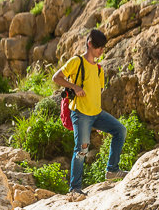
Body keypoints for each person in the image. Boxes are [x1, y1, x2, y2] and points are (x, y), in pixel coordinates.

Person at [52, 28, 126, 198]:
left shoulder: (99, 69)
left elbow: (96, 94)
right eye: (99, 47)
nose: (101, 51)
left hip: (96, 114)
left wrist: (98, 124)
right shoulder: (76, 62)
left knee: (120, 130)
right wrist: (74, 87)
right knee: (82, 150)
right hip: (80, 113)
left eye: (103, 48)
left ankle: (112, 170)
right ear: (90, 44)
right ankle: (75, 188)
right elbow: (56, 77)